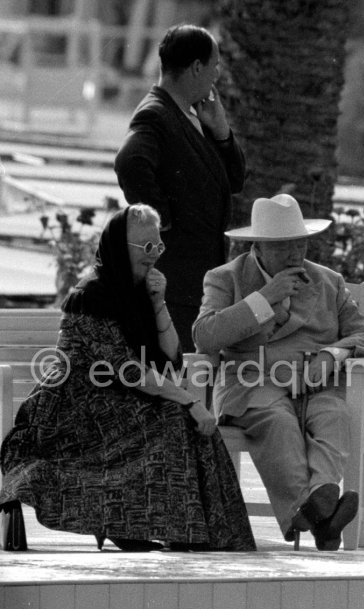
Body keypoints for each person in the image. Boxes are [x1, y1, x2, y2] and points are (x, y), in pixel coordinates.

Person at [0, 204, 256, 553]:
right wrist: (191, 401)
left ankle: (189, 529)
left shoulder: (137, 291)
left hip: (116, 398)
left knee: (175, 417)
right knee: (172, 416)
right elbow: (127, 369)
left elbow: (171, 357)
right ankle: (145, 526)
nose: (154, 256)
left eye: (158, 246)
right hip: (71, 410)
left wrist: (158, 302)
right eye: (146, 247)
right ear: (121, 247)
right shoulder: (91, 295)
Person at [193, 193, 364, 550]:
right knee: (277, 421)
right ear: (258, 246)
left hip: (316, 385)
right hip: (252, 385)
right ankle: (319, 517)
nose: (296, 254)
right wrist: (264, 298)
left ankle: (319, 507)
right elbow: (205, 337)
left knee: (334, 413)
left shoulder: (329, 281)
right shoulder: (225, 279)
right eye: (283, 246)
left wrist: (333, 353)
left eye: (300, 243)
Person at [114, 24, 246, 351]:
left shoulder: (189, 115)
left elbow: (235, 181)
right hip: (177, 284)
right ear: (197, 67)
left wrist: (221, 131)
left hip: (196, 281)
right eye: (214, 65)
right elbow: (129, 162)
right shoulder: (155, 114)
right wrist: (164, 220)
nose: (217, 73)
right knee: (181, 381)